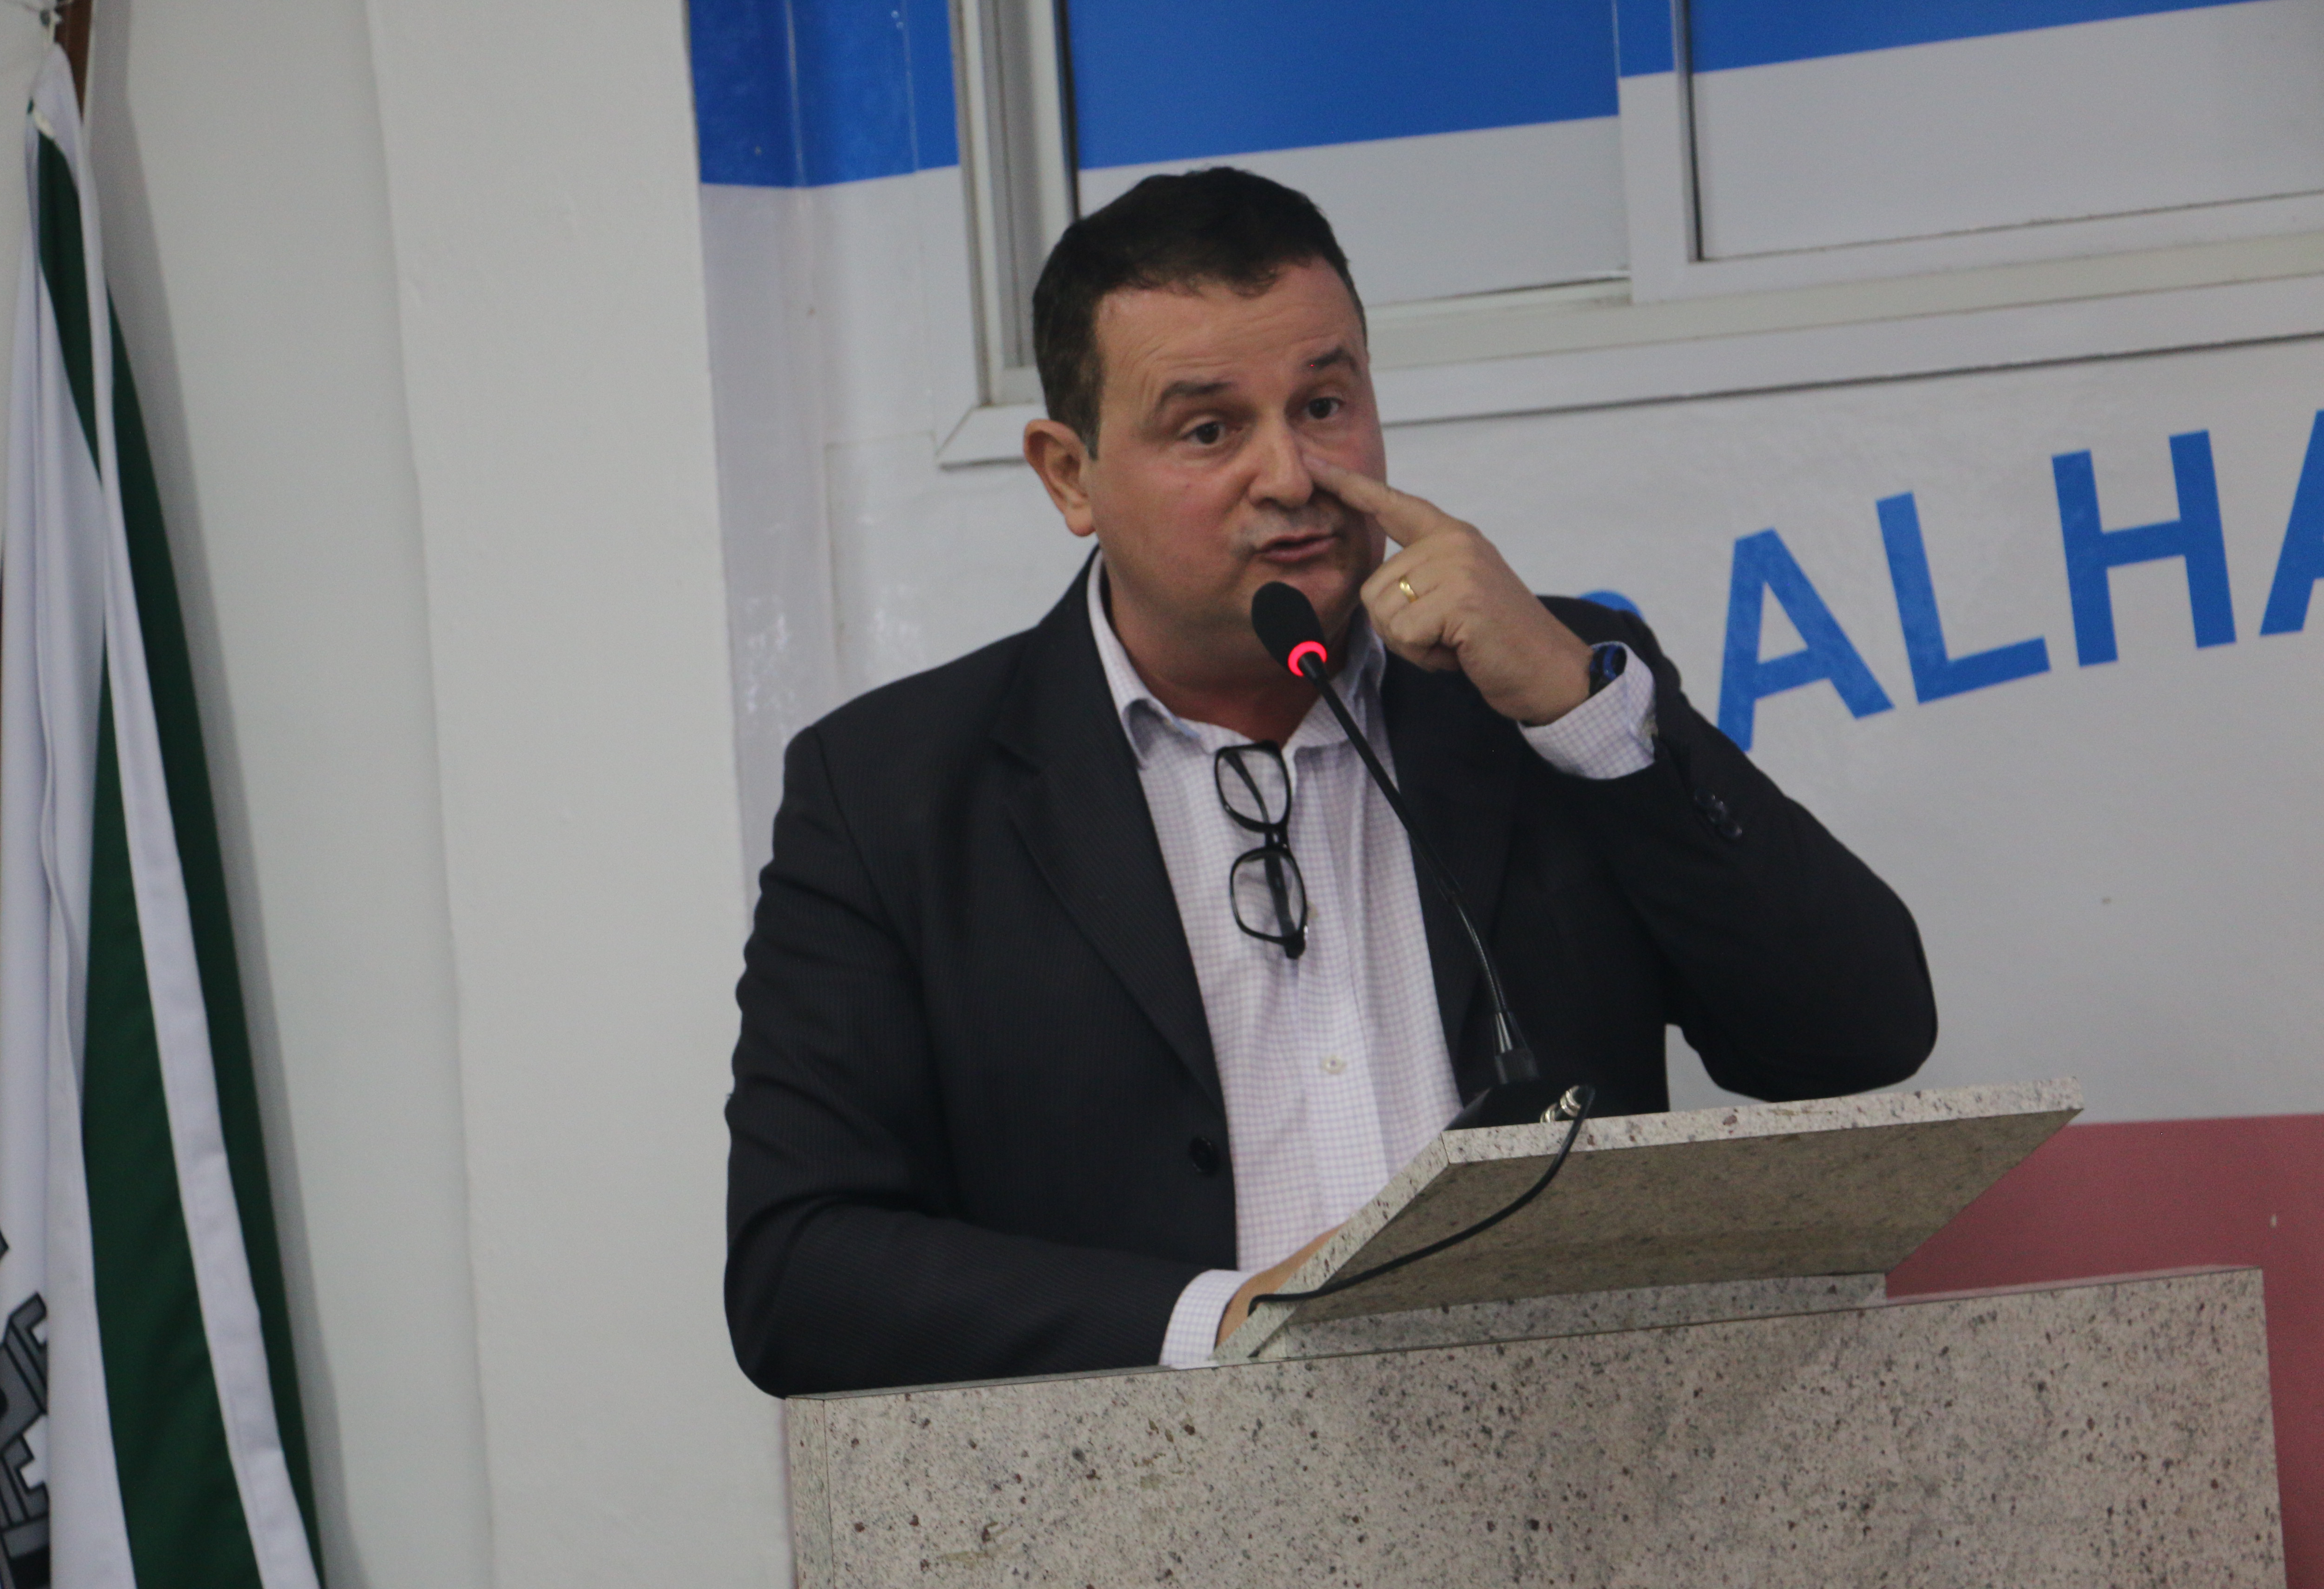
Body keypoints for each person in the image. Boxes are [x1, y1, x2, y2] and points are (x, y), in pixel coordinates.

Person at [724, 169, 1935, 1398]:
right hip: (1164, 1493)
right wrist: (1227, 1318)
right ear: (1069, 475)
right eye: (1209, 430)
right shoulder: (891, 795)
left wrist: (1582, 718)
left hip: (1586, 1469)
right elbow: (799, 1272)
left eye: (1324, 404)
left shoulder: (1544, 686)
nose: (1293, 476)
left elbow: (1854, 1039)